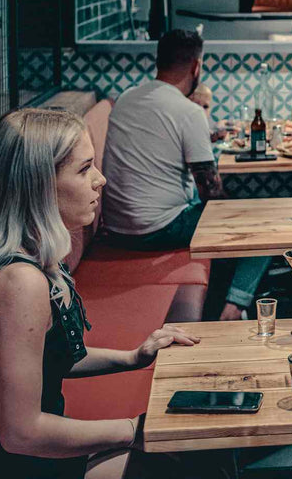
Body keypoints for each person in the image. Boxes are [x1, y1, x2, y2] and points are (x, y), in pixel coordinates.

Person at [0, 109, 199, 479]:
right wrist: (134, 429)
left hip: (23, 458)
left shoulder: (33, 257)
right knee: (176, 466)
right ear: (37, 184)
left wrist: (133, 357)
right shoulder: (20, 282)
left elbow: (45, 358)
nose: (101, 179)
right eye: (84, 169)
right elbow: (22, 433)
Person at [100, 29, 263, 322]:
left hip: (116, 228)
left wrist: (209, 136)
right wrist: (238, 210)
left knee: (237, 217)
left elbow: (157, 140)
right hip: (157, 230)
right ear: (196, 66)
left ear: (158, 61)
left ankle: (227, 301)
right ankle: (233, 309)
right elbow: (210, 195)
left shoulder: (126, 99)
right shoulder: (188, 112)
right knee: (262, 221)